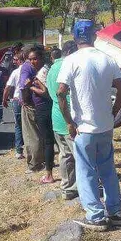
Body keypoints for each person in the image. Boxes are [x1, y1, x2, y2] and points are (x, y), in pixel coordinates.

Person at [57, 20, 121, 231]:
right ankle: (115, 213)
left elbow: (61, 92)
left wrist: (69, 121)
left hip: (83, 127)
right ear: (94, 36)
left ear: (75, 37)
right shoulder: (108, 59)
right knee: (107, 169)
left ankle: (96, 216)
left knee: (86, 171)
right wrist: (113, 113)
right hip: (105, 126)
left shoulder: (70, 60)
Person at [46, 41, 79, 200]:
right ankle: (86, 188)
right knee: (79, 156)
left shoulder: (52, 68)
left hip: (56, 118)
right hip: (68, 118)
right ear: (72, 51)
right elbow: (64, 95)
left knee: (65, 155)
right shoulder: (68, 66)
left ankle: (68, 188)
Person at [19, 47, 53, 177]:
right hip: (42, 106)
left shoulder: (40, 71)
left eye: (35, 59)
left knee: (32, 136)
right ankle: (43, 161)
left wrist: (30, 87)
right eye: (30, 59)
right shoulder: (45, 68)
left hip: (39, 106)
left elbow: (44, 92)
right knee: (44, 137)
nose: (32, 61)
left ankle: (35, 164)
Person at [3, 52, 25, 159]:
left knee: (18, 125)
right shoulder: (31, 70)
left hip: (17, 100)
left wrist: (4, 99)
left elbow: (7, 87)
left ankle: (19, 151)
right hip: (27, 101)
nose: (13, 61)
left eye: (15, 59)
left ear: (20, 60)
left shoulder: (15, 72)